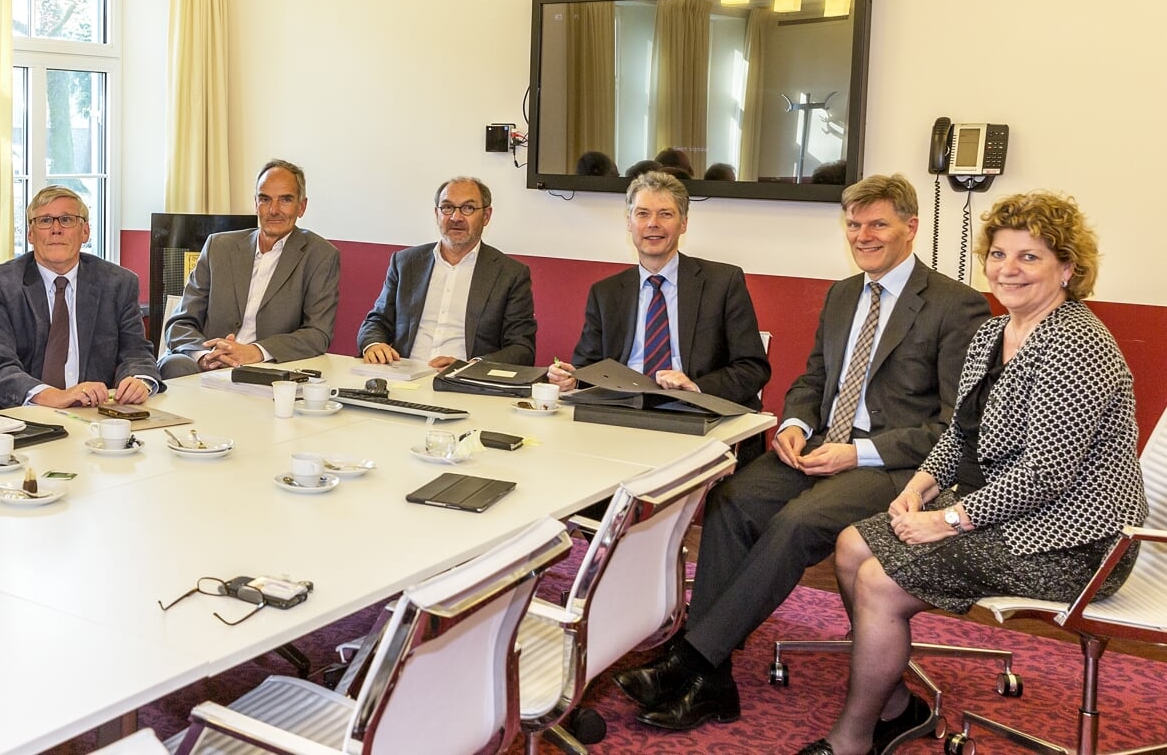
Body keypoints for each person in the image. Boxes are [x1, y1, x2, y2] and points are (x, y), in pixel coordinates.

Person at [617, 175, 989, 732]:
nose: (863, 236)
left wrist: (856, 454)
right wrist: (793, 422)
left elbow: (955, 425)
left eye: (878, 224)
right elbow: (814, 379)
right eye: (855, 225)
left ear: (911, 229)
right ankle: (713, 682)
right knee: (733, 499)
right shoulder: (842, 294)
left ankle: (693, 660)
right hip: (816, 446)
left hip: (895, 465)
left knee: (796, 523)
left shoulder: (955, 306)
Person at [798, 191, 1147, 755]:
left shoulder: (1077, 344)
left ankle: (852, 739)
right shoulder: (993, 334)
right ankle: (893, 705)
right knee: (852, 546)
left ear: (1068, 269)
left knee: (880, 583)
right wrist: (918, 488)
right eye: (999, 254)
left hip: (1077, 539)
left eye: (1029, 257)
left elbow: (1045, 474)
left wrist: (948, 520)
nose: (1008, 269)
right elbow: (960, 434)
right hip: (1008, 511)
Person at [548, 171, 770, 454]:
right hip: (622, 416)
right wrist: (571, 378)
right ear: (629, 223)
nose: (653, 224)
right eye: (642, 214)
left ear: (684, 224)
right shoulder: (606, 292)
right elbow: (587, 369)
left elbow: (753, 368)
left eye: (665, 214)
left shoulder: (722, 283)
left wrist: (696, 387)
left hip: (695, 415)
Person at [0, 186, 160, 412]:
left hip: (89, 416)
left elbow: (136, 351)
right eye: (45, 221)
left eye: (67, 220)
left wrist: (139, 380)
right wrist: (55, 396)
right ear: (30, 234)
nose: (56, 229)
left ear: (85, 231)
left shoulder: (118, 283)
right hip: (8, 416)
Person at [159, 159, 341, 377]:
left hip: (267, 368)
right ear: (256, 203)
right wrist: (205, 356)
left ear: (302, 207)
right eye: (265, 199)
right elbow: (180, 322)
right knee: (175, 365)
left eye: (285, 200)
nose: (274, 210)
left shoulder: (320, 255)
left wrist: (255, 352)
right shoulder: (218, 247)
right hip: (208, 362)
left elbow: (317, 333)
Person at [358, 176, 537, 369]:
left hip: (464, 384)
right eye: (447, 207)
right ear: (436, 214)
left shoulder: (510, 274)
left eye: (468, 208)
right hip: (404, 376)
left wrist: (471, 366)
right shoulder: (406, 263)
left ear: (486, 216)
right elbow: (377, 321)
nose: (456, 218)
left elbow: (522, 348)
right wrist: (374, 345)